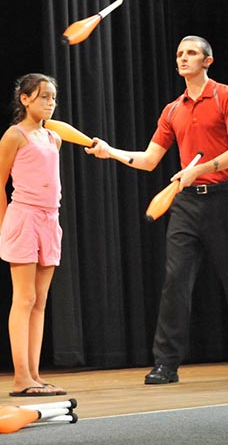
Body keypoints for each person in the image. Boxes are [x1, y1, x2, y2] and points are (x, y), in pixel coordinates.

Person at [85, 35, 228, 384]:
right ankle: (166, 364)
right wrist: (111, 152)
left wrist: (202, 168)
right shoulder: (172, 110)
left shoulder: (224, 96)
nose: (183, 58)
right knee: (175, 282)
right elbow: (150, 160)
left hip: (223, 197)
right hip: (186, 203)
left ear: (207, 61)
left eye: (191, 53)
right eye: (179, 53)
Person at [0, 73, 66, 396]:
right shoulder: (14, 135)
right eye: (43, 97)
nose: (50, 103)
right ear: (25, 99)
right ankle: (21, 377)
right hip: (23, 219)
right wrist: (5, 227)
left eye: (53, 98)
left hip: (50, 220)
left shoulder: (53, 139)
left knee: (40, 300)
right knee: (23, 299)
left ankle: (34, 375)